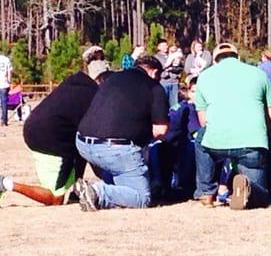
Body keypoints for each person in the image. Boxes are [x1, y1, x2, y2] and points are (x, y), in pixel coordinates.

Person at [0, 59, 109, 205]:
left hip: (37, 129)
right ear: (101, 80)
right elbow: (93, 140)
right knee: (55, 198)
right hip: (48, 138)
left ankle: (76, 190)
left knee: (80, 146)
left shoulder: (74, 85)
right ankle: (5, 184)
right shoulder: (93, 96)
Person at [74, 55, 169, 211]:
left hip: (83, 143)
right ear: (155, 72)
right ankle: (97, 191)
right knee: (141, 197)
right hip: (115, 149)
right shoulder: (154, 87)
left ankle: (110, 186)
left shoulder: (112, 78)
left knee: (119, 167)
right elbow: (160, 130)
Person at [193, 42, 271, 210]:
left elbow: (203, 122)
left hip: (216, 141)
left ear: (215, 61)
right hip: (252, 142)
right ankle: (248, 189)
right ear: (238, 57)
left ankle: (206, 192)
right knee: (258, 194)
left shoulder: (204, 76)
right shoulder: (259, 74)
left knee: (201, 137)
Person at [0, 51, 13, 126]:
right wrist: (9, 81)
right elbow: (9, 72)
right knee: (4, 103)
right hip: (4, 84)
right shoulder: (6, 59)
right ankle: (4, 120)